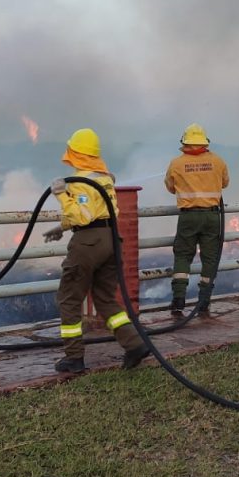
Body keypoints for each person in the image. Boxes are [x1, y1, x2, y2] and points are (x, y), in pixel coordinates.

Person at [43, 128, 150, 373]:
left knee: (69, 299)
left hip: (88, 243)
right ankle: (134, 344)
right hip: (111, 240)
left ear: (75, 152)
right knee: (104, 298)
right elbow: (97, 211)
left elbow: (83, 215)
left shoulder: (81, 181)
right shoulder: (104, 178)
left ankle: (73, 357)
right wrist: (62, 226)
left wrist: (61, 195)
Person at [164, 123, 230, 319]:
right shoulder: (218, 162)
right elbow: (225, 183)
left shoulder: (176, 163)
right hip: (212, 216)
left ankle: (178, 300)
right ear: (204, 142)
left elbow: (170, 187)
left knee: (183, 255)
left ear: (185, 142)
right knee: (210, 258)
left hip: (188, 216)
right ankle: (204, 300)